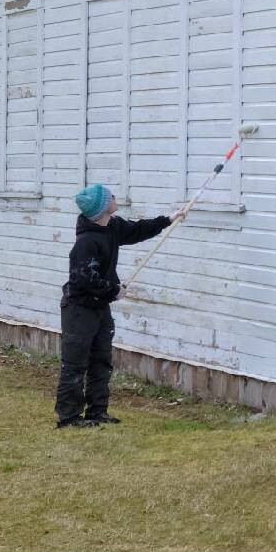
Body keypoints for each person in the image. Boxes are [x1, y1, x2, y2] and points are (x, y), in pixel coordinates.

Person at [56, 183, 177, 428]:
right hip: (79, 310)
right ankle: (68, 417)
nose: (114, 196)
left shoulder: (112, 227)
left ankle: (97, 411)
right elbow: (83, 279)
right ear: (102, 207)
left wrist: (168, 220)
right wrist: (113, 290)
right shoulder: (86, 242)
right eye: (109, 196)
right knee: (75, 363)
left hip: (100, 307)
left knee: (101, 360)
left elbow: (138, 229)